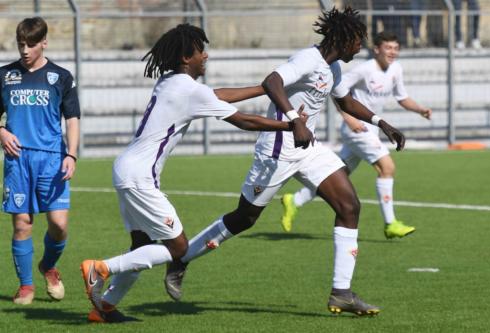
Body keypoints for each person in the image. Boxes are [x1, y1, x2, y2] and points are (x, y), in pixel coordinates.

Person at [164, 7, 405, 316]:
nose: (360, 47)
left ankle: (341, 292)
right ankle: (181, 258)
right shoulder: (308, 59)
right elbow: (272, 81)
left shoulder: (333, 69)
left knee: (349, 206)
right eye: (358, 40)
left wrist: (381, 122)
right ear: (344, 39)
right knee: (244, 218)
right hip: (277, 150)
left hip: (308, 149)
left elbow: (345, 101)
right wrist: (294, 119)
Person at [79, 23, 310, 323]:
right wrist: (291, 125)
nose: (206, 56)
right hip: (139, 177)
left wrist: (261, 88)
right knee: (179, 248)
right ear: (187, 58)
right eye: (201, 51)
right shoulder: (189, 90)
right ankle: (101, 268)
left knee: (142, 247)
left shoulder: (169, 81)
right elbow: (245, 122)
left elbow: (214, 95)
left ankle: (106, 307)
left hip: (127, 169)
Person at [280, 31, 431, 239]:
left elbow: (402, 97)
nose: (392, 52)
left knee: (337, 175)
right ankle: (391, 224)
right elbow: (337, 91)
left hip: (371, 131)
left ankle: (294, 200)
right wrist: (348, 118)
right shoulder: (364, 70)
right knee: (387, 167)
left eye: (396, 48)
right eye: (388, 47)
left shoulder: (396, 69)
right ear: (377, 49)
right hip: (357, 130)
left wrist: (420, 109)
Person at [0, 17, 80, 305]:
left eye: (31, 44)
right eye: (21, 44)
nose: (25, 50)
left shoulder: (61, 77)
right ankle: (25, 287)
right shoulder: (5, 75)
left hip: (52, 160)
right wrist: (2, 132)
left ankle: (47, 266)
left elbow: (72, 119)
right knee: (22, 224)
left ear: (44, 42)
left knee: (58, 225)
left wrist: (71, 154)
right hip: (18, 160)